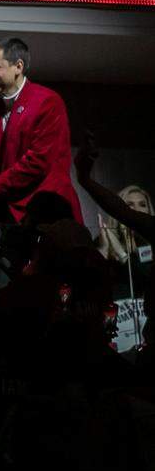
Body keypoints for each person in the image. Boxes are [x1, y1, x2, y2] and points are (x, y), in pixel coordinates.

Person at [0, 38, 82, 226]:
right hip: (7, 211)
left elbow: (37, 163)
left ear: (18, 66)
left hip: (47, 213)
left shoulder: (48, 101)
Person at [76, 140, 155, 347]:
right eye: (131, 203)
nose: (137, 210)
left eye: (142, 204)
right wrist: (84, 179)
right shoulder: (101, 248)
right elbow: (121, 210)